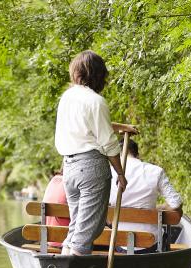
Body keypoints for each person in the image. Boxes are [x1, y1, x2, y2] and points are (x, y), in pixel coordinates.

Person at [54, 50, 137, 256]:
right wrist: (120, 172)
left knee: (77, 226)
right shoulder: (96, 101)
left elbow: (88, 126)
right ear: (99, 75)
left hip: (69, 169)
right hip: (91, 167)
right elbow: (108, 142)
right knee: (88, 228)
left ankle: (63, 265)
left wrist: (120, 126)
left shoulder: (67, 97)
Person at [109, 139, 183, 248]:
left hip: (120, 244)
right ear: (137, 155)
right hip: (151, 243)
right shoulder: (155, 171)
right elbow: (176, 204)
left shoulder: (109, 173)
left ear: (116, 155)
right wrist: (159, 207)